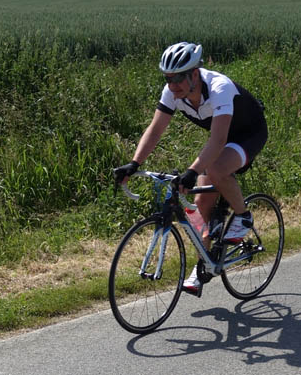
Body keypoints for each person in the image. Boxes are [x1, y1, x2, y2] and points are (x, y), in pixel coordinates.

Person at [113, 42, 267, 295]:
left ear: (194, 74)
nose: (172, 86)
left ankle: (243, 216)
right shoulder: (172, 92)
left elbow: (218, 140)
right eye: (168, 79)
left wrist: (193, 171)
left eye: (178, 79)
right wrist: (134, 163)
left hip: (249, 134)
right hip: (222, 139)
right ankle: (204, 265)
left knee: (216, 170)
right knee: (200, 206)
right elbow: (155, 130)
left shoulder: (219, 88)